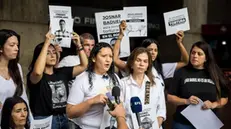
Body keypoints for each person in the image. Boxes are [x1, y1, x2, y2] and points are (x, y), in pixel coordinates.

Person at [27, 31, 88, 129]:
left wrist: (79, 46)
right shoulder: (35, 75)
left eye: (54, 52)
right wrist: (46, 43)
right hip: (44, 119)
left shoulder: (62, 72)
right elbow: (38, 72)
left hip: (64, 118)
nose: (52, 55)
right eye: (48, 53)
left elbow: (84, 65)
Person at [167, 41, 229, 129]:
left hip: (207, 123)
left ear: (206, 58)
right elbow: (170, 97)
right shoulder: (181, 72)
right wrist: (186, 101)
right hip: (183, 123)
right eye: (193, 53)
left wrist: (213, 104)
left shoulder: (215, 73)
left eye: (200, 54)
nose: (195, 56)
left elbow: (224, 98)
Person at [66, 42, 121, 129]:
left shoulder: (115, 78)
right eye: (104, 56)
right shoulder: (82, 79)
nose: (108, 60)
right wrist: (91, 101)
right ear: (94, 58)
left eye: (110, 56)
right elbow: (70, 113)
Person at [114, 21, 188, 82]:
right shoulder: (135, 65)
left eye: (155, 50)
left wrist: (179, 43)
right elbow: (115, 60)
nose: (153, 53)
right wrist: (120, 37)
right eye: (150, 50)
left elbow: (185, 61)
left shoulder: (161, 68)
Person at [120, 47, 166, 129]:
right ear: (131, 63)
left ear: (148, 65)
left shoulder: (156, 83)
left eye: (145, 61)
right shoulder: (122, 84)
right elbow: (120, 113)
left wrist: (154, 127)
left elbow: (161, 111)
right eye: (138, 60)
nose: (141, 64)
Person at [0, 29, 30, 124]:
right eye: (12, 45)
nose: (16, 48)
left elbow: (22, 96)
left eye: (17, 45)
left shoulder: (17, 67)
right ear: (1, 48)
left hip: (14, 122)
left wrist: (29, 120)